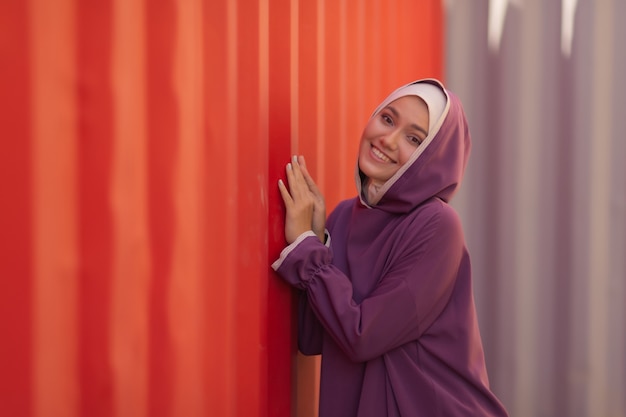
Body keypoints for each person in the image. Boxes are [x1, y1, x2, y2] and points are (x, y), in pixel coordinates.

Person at [272, 78, 509, 417]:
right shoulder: (343, 217)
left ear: (434, 158)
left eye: (414, 138)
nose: (389, 139)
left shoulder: (437, 225)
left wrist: (307, 251)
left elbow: (361, 336)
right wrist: (319, 237)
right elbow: (312, 339)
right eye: (387, 119)